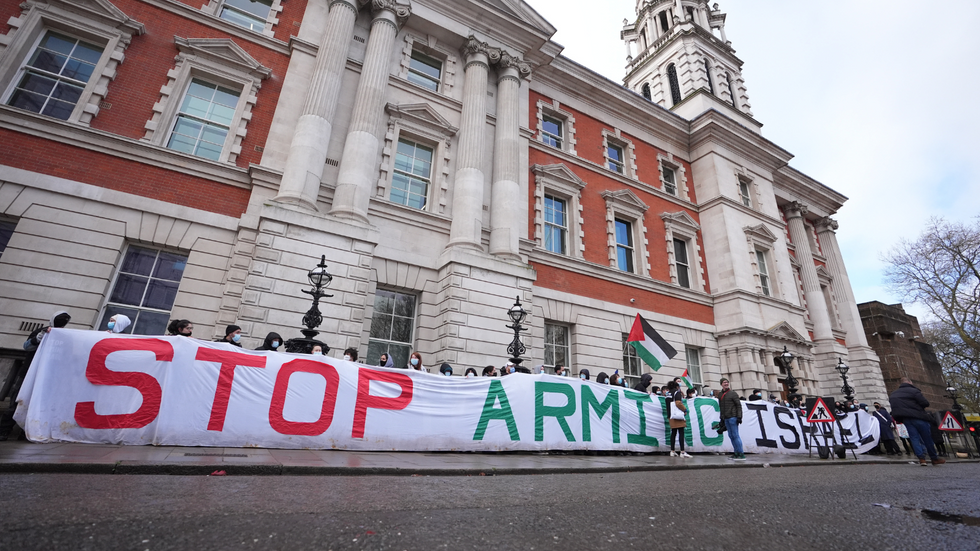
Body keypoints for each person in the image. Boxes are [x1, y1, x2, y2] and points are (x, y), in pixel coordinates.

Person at [889, 377, 945, 466]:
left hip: (906, 419)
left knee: (914, 438)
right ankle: (934, 458)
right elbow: (925, 403)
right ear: (909, 382)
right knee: (927, 438)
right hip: (919, 417)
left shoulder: (894, 394)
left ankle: (922, 459)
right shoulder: (914, 391)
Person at [718, 378, 745, 460]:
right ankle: (736, 452)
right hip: (726, 417)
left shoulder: (733, 393)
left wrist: (739, 417)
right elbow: (721, 407)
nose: (726, 384)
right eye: (724, 382)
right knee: (731, 435)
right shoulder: (720, 395)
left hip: (733, 417)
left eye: (727, 382)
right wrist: (722, 418)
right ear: (721, 384)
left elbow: (738, 405)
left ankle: (741, 453)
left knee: (735, 435)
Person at [667, 380, 691, 458]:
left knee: (673, 433)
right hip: (677, 416)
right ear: (677, 386)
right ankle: (682, 452)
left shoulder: (668, 394)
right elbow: (678, 403)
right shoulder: (677, 393)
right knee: (681, 432)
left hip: (670, 415)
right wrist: (684, 409)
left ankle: (672, 451)